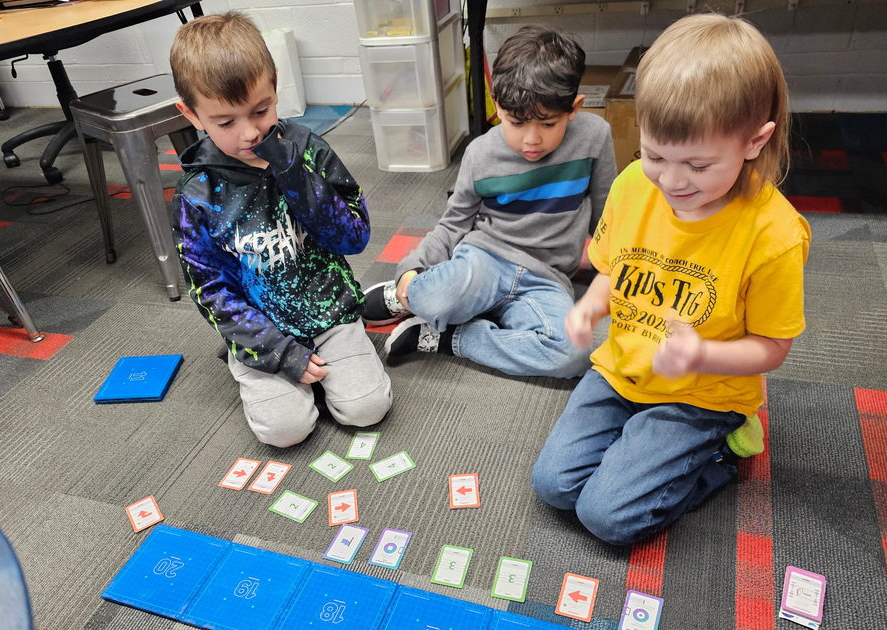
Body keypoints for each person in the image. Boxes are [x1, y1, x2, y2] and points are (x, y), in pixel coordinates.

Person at [532, 13, 809, 546]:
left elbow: (773, 348)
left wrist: (700, 355)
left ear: (755, 141)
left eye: (699, 166)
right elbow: (614, 269)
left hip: (702, 395)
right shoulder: (636, 183)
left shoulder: (773, 236)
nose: (673, 181)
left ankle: (724, 450)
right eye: (657, 154)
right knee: (554, 485)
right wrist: (592, 306)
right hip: (623, 371)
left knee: (606, 517)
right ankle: (644, 448)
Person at [169, 12, 391, 447]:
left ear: (275, 84)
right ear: (191, 114)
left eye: (261, 110)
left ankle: (330, 370)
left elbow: (355, 236)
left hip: (330, 312)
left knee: (368, 409)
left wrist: (295, 177)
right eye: (225, 121)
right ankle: (255, 366)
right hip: (262, 329)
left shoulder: (309, 150)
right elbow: (210, 291)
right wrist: (276, 351)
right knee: (285, 432)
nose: (250, 133)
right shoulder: (196, 194)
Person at [361, 25, 617, 379]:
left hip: (548, 279)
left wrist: (616, 274)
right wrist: (411, 268)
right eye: (516, 122)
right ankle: (406, 293)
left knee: (572, 356)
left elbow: (609, 219)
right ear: (497, 106)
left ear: (574, 108)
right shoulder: (480, 153)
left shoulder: (595, 137)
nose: (532, 139)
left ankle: (448, 337)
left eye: (547, 123)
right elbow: (453, 225)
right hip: (485, 260)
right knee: (428, 297)